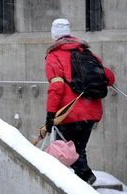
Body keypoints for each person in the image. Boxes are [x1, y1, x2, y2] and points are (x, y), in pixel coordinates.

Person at [44, 18, 115, 185]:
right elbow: (110, 78)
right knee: (78, 149)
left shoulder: (54, 56)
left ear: (54, 34)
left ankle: (84, 177)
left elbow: (57, 88)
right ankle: (82, 181)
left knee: (64, 151)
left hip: (69, 112)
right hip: (91, 112)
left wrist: (50, 115)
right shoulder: (87, 53)